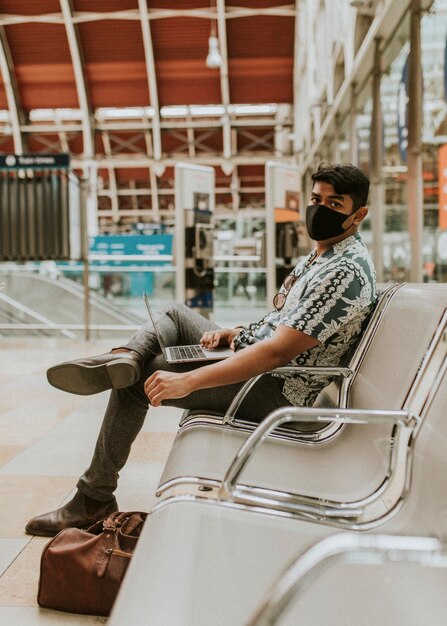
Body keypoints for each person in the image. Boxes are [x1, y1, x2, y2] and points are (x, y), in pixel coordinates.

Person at [26, 163, 376, 536]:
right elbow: (282, 324)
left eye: (334, 204)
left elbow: (277, 354)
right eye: (316, 199)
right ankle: (126, 356)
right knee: (175, 315)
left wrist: (190, 381)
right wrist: (235, 332)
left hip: (277, 389)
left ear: (359, 215)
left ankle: (93, 496)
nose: (320, 209)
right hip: (260, 359)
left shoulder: (344, 272)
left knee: (136, 382)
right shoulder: (324, 254)